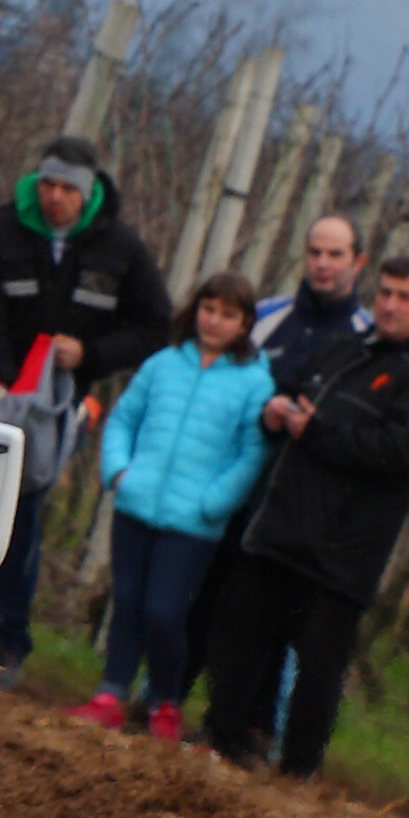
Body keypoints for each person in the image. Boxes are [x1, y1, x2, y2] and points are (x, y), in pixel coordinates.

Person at [197, 256, 409, 779]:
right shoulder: (344, 349)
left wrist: (318, 433)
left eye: (405, 297)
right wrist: (274, 414)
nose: (390, 305)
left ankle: (298, 771)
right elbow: (290, 390)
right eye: (385, 293)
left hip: (345, 548)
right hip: (284, 525)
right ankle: (221, 734)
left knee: (318, 662)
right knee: (239, 631)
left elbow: (403, 454)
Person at [0, 132, 174, 683]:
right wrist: (5, 381)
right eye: (48, 185)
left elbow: (154, 326)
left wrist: (91, 355)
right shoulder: (4, 229)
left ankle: (8, 640)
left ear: (87, 193)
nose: (54, 197)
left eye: (67, 189)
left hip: (60, 408)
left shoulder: (119, 248)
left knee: (24, 516)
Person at [73, 272, 273, 740]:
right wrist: (119, 472)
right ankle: (110, 694)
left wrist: (215, 502)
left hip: (193, 524)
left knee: (164, 614)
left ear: (245, 324)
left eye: (227, 314)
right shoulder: (162, 364)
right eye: (208, 309)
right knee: (127, 604)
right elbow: (123, 419)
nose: (214, 321)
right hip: (135, 505)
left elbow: (252, 454)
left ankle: (164, 702)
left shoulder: (255, 383)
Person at [253, 213, 373, 375]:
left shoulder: (368, 336)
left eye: (335, 255)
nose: (322, 264)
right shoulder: (261, 316)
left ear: (358, 263)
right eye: (315, 253)